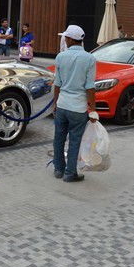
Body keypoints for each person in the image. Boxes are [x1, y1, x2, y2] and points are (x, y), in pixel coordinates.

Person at [52, 24, 98, 183]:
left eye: (65, 37)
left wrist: (55, 103)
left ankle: (58, 169)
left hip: (62, 104)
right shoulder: (90, 58)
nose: (64, 39)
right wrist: (93, 109)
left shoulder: (60, 57)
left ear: (71, 39)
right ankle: (70, 173)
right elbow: (90, 87)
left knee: (58, 138)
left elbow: (57, 83)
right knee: (74, 141)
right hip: (78, 108)